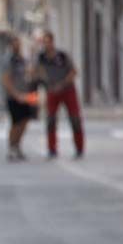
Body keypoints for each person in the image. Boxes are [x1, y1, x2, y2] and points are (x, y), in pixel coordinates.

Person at [32, 31, 84, 159]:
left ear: (52, 42)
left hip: (67, 90)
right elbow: (35, 71)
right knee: (51, 120)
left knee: (75, 119)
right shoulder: (41, 57)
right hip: (52, 91)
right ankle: (52, 149)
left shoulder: (62, 55)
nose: (46, 45)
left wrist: (62, 84)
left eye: (48, 42)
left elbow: (74, 72)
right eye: (44, 42)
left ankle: (79, 148)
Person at [2, 35, 35, 162]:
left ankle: (18, 145)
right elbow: (5, 79)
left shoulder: (21, 59)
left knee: (25, 121)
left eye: (19, 43)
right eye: (15, 44)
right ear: (11, 45)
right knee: (15, 123)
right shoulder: (8, 60)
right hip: (13, 96)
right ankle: (11, 147)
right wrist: (15, 94)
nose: (17, 46)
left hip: (25, 95)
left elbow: (27, 73)